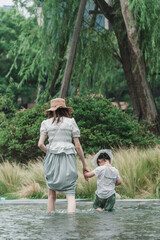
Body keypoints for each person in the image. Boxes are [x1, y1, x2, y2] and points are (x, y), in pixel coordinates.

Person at [38, 98, 88, 213]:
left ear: (51, 110)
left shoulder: (46, 123)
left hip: (52, 157)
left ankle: (51, 220)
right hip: (68, 158)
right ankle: (71, 222)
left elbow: (40, 144)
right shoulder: (71, 122)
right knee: (70, 194)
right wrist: (84, 164)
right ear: (64, 109)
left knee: (51, 194)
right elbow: (78, 146)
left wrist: (50, 153)